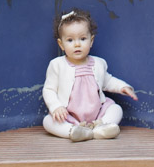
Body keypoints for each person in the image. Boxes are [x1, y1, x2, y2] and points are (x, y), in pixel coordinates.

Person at [42, 9, 138, 142]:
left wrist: (122, 87)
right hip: (70, 115)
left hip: (97, 114)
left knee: (116, 109)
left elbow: (107, 81)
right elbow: (49, 89)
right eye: (70, 40)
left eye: (82, 39)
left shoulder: (98, 63)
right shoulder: (57, 65)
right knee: (48, 121)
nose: (77, 44)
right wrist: (56, 107)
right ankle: (73, 131)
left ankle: (101, 128)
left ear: (91, 41)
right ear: (61, 44)